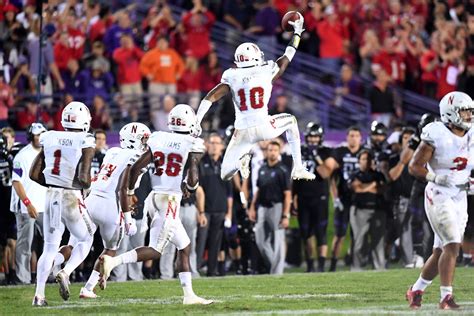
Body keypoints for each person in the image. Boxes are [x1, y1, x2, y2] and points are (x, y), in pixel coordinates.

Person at [99, 104, 213, 305]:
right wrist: (191, 187)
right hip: (169, 199)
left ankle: (189, 296)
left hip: (154, 196)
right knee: (155, 250)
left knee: (184, 246)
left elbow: (136, 168)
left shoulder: (158, 137)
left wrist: (131, 192)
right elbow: (194, 178)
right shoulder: (191, 143)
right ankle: (113, 261)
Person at [195, 13, 314, 182]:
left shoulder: (232, 75)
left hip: (242, 130)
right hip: (264, 126)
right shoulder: (266, 70)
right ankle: (298, 167)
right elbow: (287, 57)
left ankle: (240, 162)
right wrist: (297, 34)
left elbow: (210, 97)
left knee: (225, 173)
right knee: (292, 121)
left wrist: (197, 121)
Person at [406, 91, 474, 310]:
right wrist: (435, 177)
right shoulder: (437, 133)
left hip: (460, 196)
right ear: (451, 112)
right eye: (465, 111)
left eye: (470, 111)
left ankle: (416, 290)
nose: (469, 115)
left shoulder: (472, 135)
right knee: (453, 245)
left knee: (441, 251)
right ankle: (446, 296)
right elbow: (414, 166)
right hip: (438, 193)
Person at [30, 102, 96, 306]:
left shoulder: (50, 136)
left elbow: (33, 174)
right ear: (85, 120)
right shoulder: (85, 139)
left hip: (51, 195)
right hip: (71, 195)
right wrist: (84, 187)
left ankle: (39, 296)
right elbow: (84, 179)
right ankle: (65, 271)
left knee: (49, 247)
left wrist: (54, 183)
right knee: (87, 237)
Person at [79, 123, 151, 298]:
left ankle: (63, 270)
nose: (145, 142)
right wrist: (128, 220)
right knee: (110, 250)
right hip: (111, 205)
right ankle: (88, 287)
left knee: (77, 243)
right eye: (143, 139)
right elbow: (123, 189)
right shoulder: (137, 157)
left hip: (91, 198)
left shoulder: (111, 152)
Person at [293, 122, 337, 272]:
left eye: (316, 137)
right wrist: (294, 199)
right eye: (311, 137)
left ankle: (321, 266)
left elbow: (325, 173)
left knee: (321, 231)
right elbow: (294, 178)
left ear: (321, 138)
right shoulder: (299, 151)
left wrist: (316, 155)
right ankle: (310, 265)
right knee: (306, 232)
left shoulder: (326, 152)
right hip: (303, 197)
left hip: (320, 197)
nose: (313, 140)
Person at [11, 123, 47, 285]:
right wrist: (27, 203)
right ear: (31, 136)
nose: (40, 138)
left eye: (42, 134)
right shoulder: (22, 156)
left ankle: (49, 275)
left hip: (45, 206)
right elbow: (16, 182)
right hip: (27, 207)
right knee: (25, 245)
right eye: (37, 135)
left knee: (50, 243)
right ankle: (23, 278)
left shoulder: (49, 154)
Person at [248, 141, 291, 275]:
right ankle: (275, 266)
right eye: (270, 150)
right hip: (262, 207)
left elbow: (287, 194)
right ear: (266, 152)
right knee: (260, 240)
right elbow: (258, 190)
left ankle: (277, 272)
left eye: (275, 150)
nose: (272, 152)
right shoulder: (262, 169)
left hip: (276, 207)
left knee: (278, 240)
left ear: (278, 153)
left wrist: (285, 215)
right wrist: (252, 207)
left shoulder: (283, 170)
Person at [196, 133, 233, 276]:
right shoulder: (200, 163)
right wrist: (199, 211)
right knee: (200, 242)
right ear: (207, 145)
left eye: (217, 143)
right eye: (211, 143)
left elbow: (230, 193)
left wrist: (229, 213)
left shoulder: (225, 164)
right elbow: (196, 189)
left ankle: (212, 272)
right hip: (204, 210)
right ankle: (195, 269)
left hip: (220, 209)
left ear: (222, 147)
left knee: (215, 243)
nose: (214, 146)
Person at [330, 126, 363, 271]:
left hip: (359, 199)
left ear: (360, 138)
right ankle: (333, 263)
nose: (353, 138)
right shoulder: (340, 152)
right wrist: (335, 198)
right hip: (343, 198)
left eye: (356, 135)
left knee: (357, 234)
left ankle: (352, 261)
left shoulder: (365, 153)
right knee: (339, 234)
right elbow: (332, 179)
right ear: (347, 137)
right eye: (351, 135)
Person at [349, 149, 387, 271]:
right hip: (360, 210)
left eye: (369, 159)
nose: (367, 162)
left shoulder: (378, 175)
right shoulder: (354, 174)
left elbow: (382, 190)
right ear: (359, 161)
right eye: (364, 159)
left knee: (378, 241)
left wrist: (365, 186)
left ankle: (379, 268)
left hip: (377, 209)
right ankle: (357, 268)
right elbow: (357, 189)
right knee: (359, 241)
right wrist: (373, 185)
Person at [0, 128, 23, 285]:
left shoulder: (16, 154)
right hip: (1, 204)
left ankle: (13, 272)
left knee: (12, 242)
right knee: (3, 244)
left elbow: (20, 174)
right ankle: (6, 273)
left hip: (11, 203)